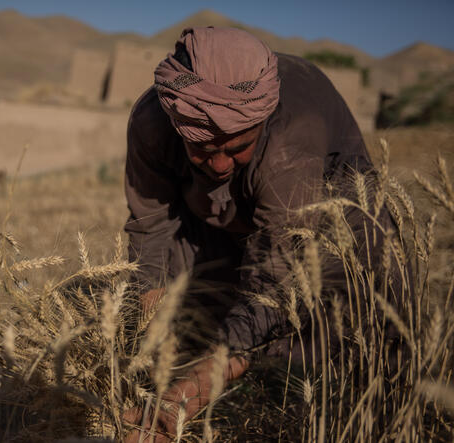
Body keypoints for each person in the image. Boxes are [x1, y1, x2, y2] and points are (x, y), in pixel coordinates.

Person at [122, 27, 398, 442]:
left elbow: (277, 276)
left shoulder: (289, 140)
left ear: (261, 122)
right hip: (212, 218)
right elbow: (152, 227)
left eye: (236, 148)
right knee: (192, 326)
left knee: (336, 356)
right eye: (201, 147)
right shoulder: (152, 121)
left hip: (329, 217)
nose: (218, 165)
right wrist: (142, 348)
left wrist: (189, 395)